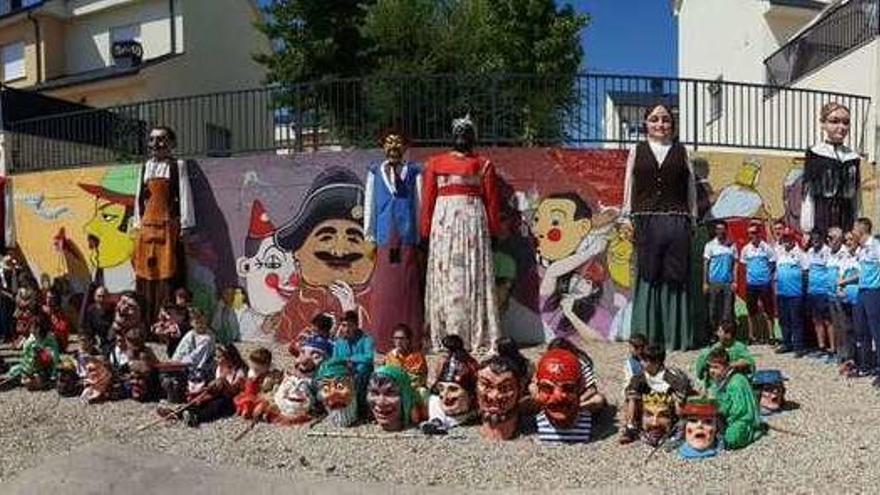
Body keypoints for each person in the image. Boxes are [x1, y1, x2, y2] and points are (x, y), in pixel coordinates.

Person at [421, 115, 501, 354]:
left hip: (473, 229)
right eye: (458, 131)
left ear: (473, 137)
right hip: (444, 228)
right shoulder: (434, 164)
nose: (462, 135)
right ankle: (446, 334)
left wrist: (494, 230)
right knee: (445, 276)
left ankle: (473, 335)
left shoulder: (484, 165)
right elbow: (427, 200)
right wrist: (424, 232)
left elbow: (492, 202)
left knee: (471, 276)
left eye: (467, 132)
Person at [622, 103, 698, 351]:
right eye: (654, 119)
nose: (660, 124)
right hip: (645, 220)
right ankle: (647, 337)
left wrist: (692, 218)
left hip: (676, 219)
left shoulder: (681, 151)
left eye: (665, 120)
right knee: (648, 275)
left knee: (675, 276)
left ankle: (675, 337)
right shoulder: (637, 150)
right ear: (646, 123)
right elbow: (629, 185)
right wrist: (626, 217)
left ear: (672, 125)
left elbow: (691, 189)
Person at [364, 131, 424, 353]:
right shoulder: (374, 172)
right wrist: (369, 235)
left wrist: (419, 236)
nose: (393, 146)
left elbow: (418, 204)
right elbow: (370, 204)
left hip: (407, 236)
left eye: (398, 143)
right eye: (389, 142)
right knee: (384, 289)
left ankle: (411, 339)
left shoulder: (414, 171)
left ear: (405, 146)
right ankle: (381, 338)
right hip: (384, 235)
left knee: (407, 287)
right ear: (383, 146)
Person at [133, 126, 196, 324]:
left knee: (168, 273)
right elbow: (138, 199)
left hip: (168, 229)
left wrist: (185, 224)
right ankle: (145, 320)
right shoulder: (144, 167)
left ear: (171, 143)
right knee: (145, 272)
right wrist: (138, 224)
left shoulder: (177, 166)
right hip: (147, 229)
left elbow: (185, 194)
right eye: (152, 139)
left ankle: (168, 322)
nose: (155, 144)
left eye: (161, 139)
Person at [801, 102, 860, 234]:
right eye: (834, 121)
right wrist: (807, 226)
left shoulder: (853, 157)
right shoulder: (815, 153)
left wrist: (857, 223)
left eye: (846, 122)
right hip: (822, 218)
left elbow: (856, 195)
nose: (841, 127)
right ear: (823, 124)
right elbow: (808, 191)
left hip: (846, 219)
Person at [620, 344, 693, 444]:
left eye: (645, 361)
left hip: (667, 405)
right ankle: (630, 427)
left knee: (678, 403)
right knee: (630, 400)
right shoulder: (640, 378)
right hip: (648, 404)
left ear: (656, 363)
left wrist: (674, 398)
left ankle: (679, 426)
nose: (641, 363)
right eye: (642, 360)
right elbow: (631, 390)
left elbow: (683, 390)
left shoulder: (671, 377)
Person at [706, 348, 763, 450]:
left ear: (726, 367)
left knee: (732, 438)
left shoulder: (737, 382)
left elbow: (740, 411)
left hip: (742, 420)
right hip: (722, 416)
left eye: (716, 367)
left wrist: (718, 407)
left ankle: (754, 432)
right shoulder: (717, 380)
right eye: (710, 367)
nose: (712, 371)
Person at [532, 348, 592, 444]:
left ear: (580, 387)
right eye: (547, 388)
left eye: (568, 388)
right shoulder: (531, 426)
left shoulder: (595, 424)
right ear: (537, 389)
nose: (558, 397)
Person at [183, 344, 248, 427]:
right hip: (218, 394)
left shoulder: (239, 371)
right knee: (201, 398)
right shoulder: (219, 368)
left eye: (219, 357)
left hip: (231, 400)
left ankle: (198, 418)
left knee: (217, 404)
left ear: (228, 357)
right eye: (216, 357)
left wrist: (224, 382)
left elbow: (234, 392)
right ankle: (179, 413)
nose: (216, 359)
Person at [852, 217, 880, 383]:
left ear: (861, 230)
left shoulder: (876, 246)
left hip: (874, 292)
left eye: (854, 229)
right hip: (861, 292)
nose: (852, 232)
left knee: (877, 332)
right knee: (862, 331)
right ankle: (867, 364)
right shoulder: (861, 250)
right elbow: (862, 273)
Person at [332, 310, 375, 413]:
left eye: (349, 325)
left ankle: (360, 406)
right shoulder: (339, 342)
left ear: (356, 326)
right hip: (343, 371)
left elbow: (369, 357)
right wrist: (344, 364)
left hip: (361, 373)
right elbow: (334, 359)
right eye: (343, 325)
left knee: (361, 371)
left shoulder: (366, 339)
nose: (346, 329)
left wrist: (351, 359)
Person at [2, 315, 59, 390]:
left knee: (32, 381)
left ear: (40, 328)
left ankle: (29, 380)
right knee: (15, 371)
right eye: (31, 328)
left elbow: (55, 356)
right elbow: (25, 358)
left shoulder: (50, 338)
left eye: (33, 328)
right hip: (30, 368)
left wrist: (53, 373)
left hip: (45, 367)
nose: (31, 330)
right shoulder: (30, 340)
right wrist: (27, 371)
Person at [775, 228, 808, 357]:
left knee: (796, 321)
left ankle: (799, 347)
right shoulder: (780, 252)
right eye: (784, 238)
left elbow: (805, 273)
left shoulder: (800, 253)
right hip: (782, 293)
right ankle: (786, 343)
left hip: (795, 294)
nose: (786, 240)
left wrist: (803, 291)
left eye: (788, 238)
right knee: (784, 320)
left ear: (793, 239)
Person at [694, 320, 755, 390]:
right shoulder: (715, 347)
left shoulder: (739, 347)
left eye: (720, 332)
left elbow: (749, 362)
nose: (717, 334)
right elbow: (701, 371)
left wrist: (730, 366)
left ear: (728, 334)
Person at [740, 224, 776, 343]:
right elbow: (744, 265)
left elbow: (772, 264)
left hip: (764, 283)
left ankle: (771, 336)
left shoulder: (766, 247)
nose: (752, 235)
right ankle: (752, 336)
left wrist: (766, 277)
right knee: (751, 311)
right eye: (750, 233)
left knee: (768, 310)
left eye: (754, 233)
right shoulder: (746, 249)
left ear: (759, 233)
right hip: (751, 284)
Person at [703, 220, 738, 335]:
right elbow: (706, 264)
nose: (720, 231)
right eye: (718, 229)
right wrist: (705, 282)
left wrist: (735, 281)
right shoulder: (710, 245)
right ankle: (714, 334)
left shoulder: (731, 245)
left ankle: (726, 336)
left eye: (722, 229)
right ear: (715, 231)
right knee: (713, 311)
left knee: (727, 311)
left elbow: (735, 264)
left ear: (726, 230)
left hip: (728, 283)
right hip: (713, 283)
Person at [806, 229, 835, 360]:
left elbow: (831, 270)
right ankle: (821, 347)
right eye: (813, 239)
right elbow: (807, 270)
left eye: (817, 238)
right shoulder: (810, 252)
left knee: (828, 321)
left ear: (822, 239)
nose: (815, 241)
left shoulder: (827, 251)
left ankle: (833, 348)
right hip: (813, 291)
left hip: (824, 291)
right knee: (816, 320)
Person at [833, 229, 860, 371]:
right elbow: (840, 274)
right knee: (847, 330)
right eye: (846, 240)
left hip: (858, 299)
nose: (848, 243)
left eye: (851, 239)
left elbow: (862, 275)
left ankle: (862, 358)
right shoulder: (845, 257)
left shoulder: (861, 255)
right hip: (844, 299)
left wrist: (844, 282)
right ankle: (851, 358)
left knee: (860, 330)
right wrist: (840, 287)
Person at [383, 324, 428, 398]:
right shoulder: (390, 356)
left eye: (401, 338)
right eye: (396, 338)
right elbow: (386, 375)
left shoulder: (417, 356)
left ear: (408, 340)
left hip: (412, 388)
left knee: (423, 393)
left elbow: (418, 378)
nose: (398, 342)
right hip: (393, 388)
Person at [170, 308, 216, 377]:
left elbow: (197, 357)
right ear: (191, 323)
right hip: (183, 366)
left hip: (201, 369)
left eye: (202, 322)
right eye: (197, 323)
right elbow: (180, 353)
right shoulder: (190, 335)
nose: (200, 325)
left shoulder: (209, 337)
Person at [234, 347, 277, 419]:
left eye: (257, 369)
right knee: (247, 393)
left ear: (266, 366)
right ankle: (245, 408)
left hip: (263, 396)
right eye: (253, 368)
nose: (254, 370)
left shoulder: (271, 375)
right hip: (251, 395)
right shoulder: (253, 373)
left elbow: (270, 390)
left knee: (262, 405)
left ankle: (257, 412)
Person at [81, 286, 115, 355]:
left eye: (104, 296)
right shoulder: (91, 310)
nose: (101, 299)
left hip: (112, 343)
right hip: (97, 343)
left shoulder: (114, 310)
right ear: (94, 297)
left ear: (108, 298)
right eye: (99, 296)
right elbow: (88, 331)